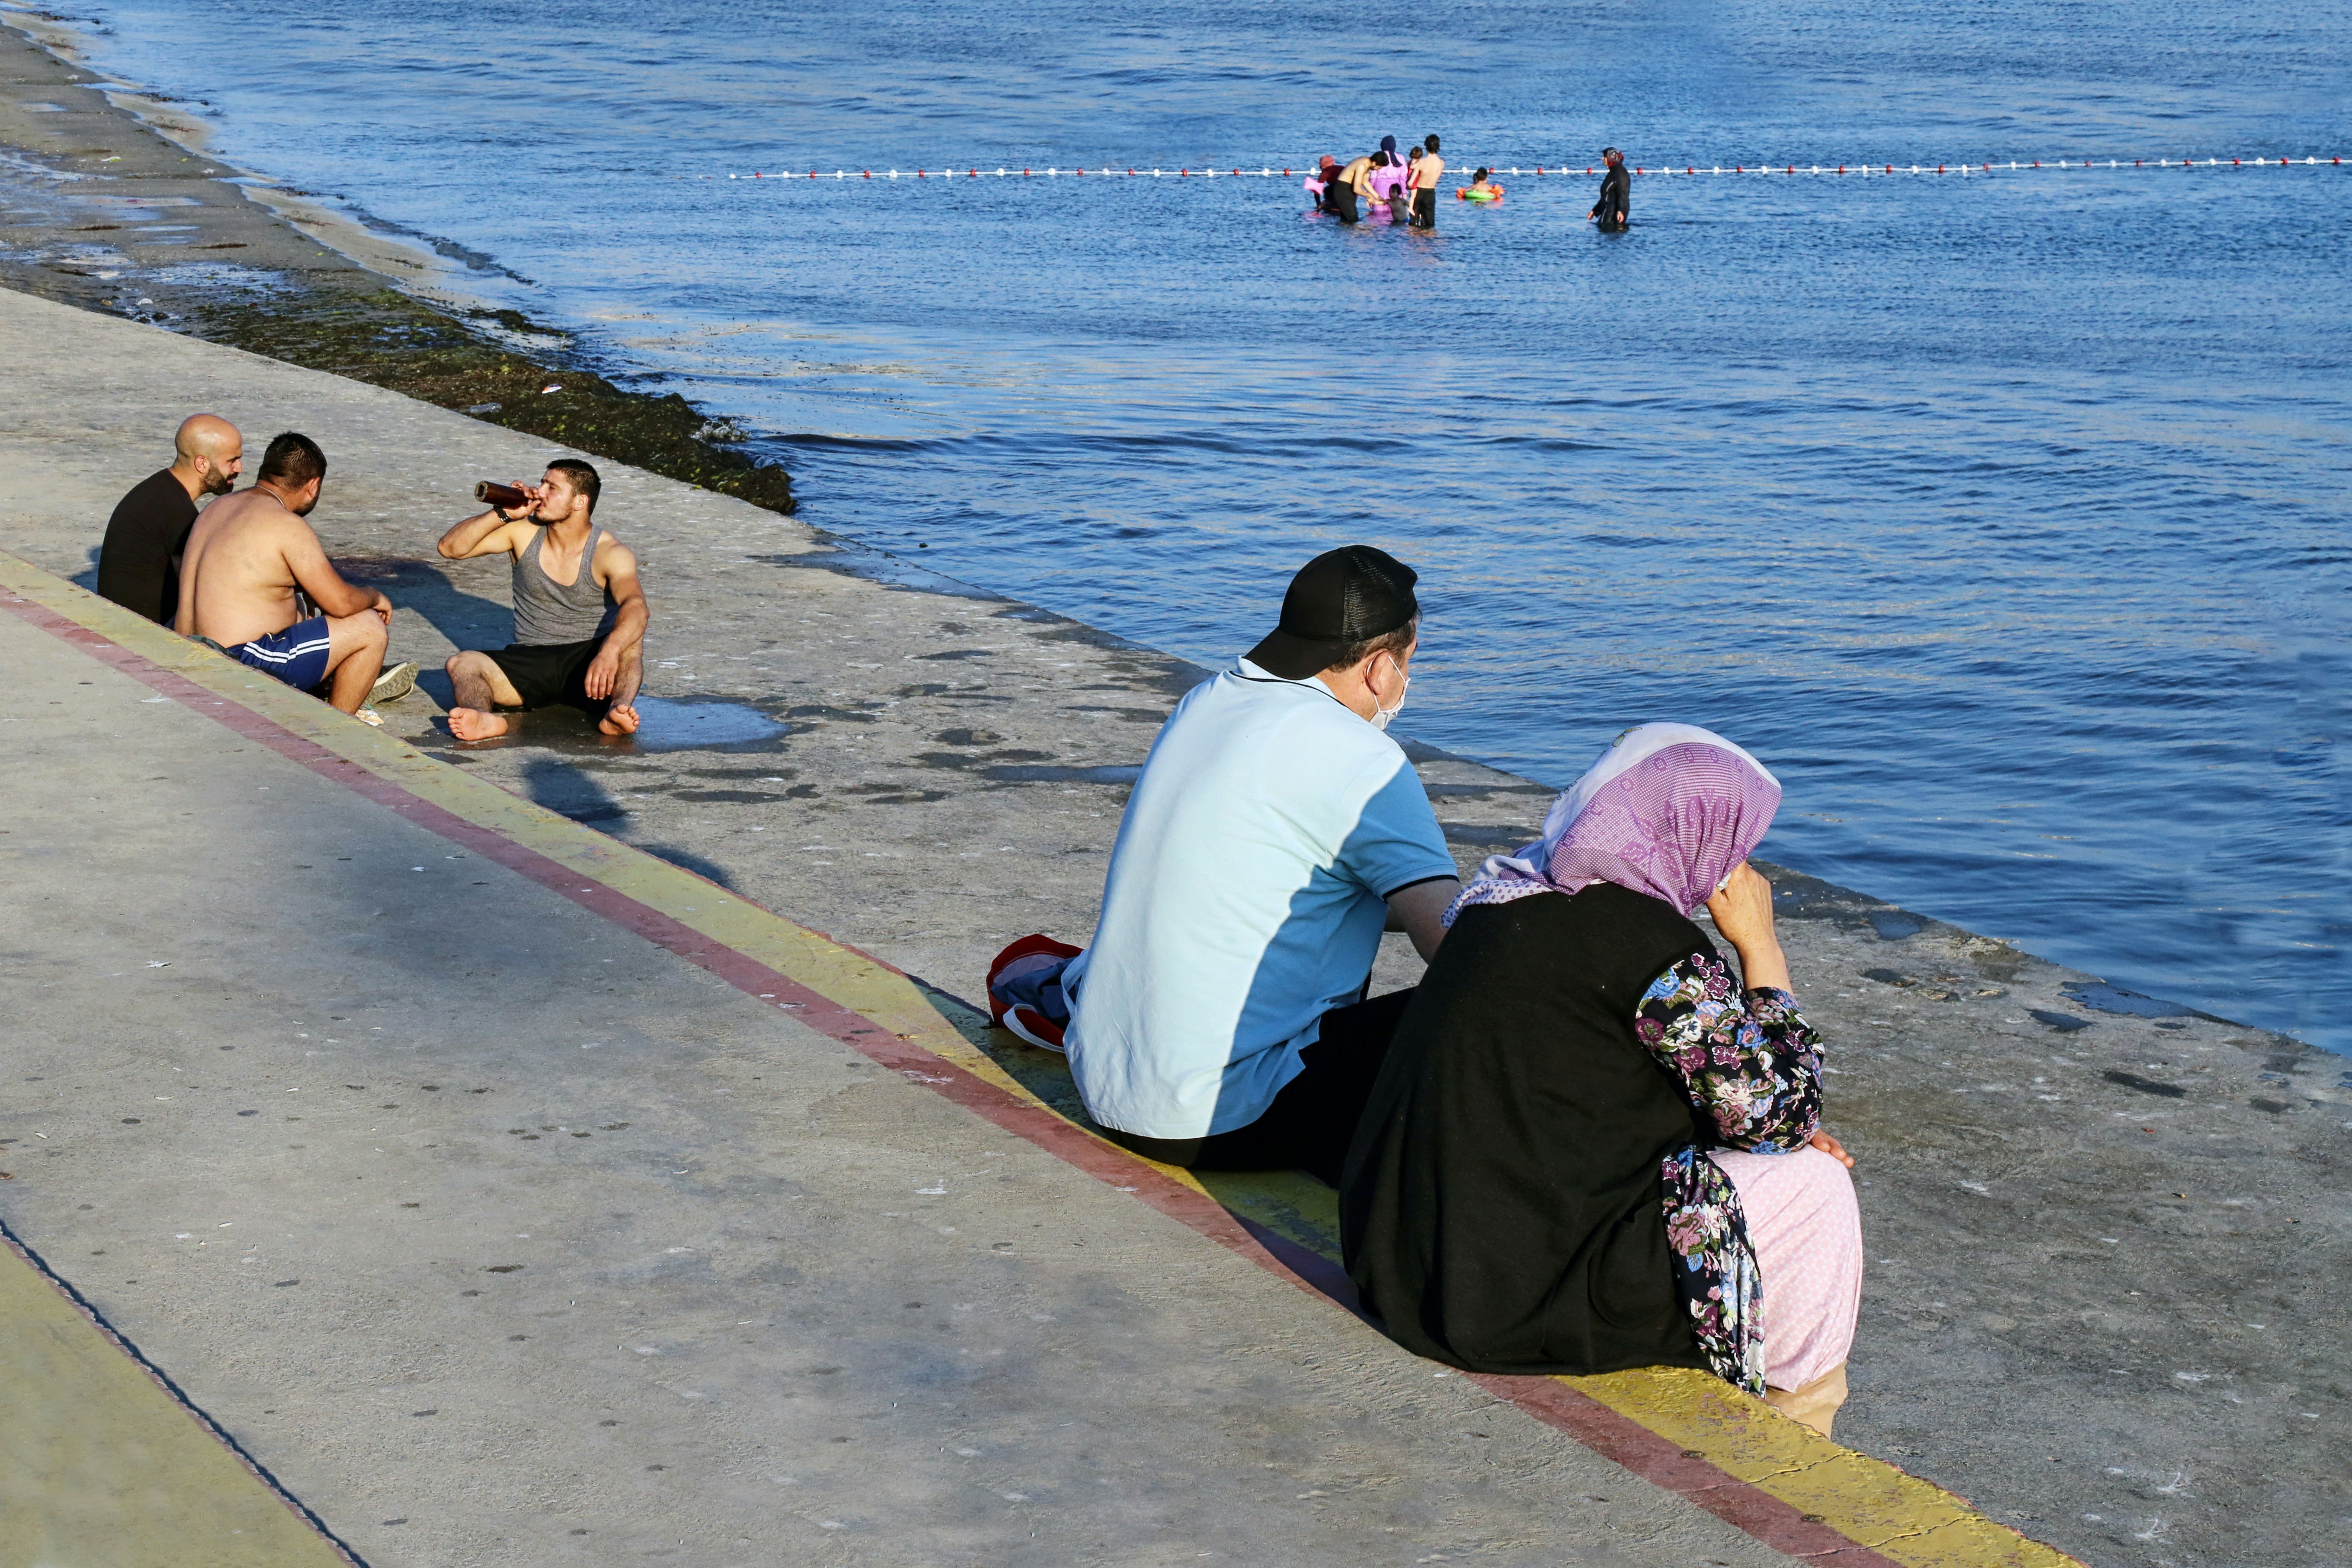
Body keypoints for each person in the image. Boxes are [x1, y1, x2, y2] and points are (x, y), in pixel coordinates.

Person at [1342, 724, 1863, 1439]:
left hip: (1406, 1266)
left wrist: (1759, 1120)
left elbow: (1598, 1077)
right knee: (1815, 1191)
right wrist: (1760, 948)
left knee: (1772, 1152)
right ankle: (1801, 1419)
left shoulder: (1503, 896)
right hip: (1510, 1301)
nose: (1737, 862)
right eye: (1735, 838)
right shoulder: (1650, 946)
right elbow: (1783, 1114)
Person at [1047, 546, 1461, 1186]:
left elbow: (1280, 886)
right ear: (1383, 667)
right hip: (1224, 1118)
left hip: (1109, 1084)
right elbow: (1456, 950)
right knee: (1480, 1007)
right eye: (1410, 663)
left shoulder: (1208, 701)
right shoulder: (1359, 757)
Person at [175, 432, 394, 717]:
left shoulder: (217, 508)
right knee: (369, 627)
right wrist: (374, 595)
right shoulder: (286, 525)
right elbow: (341, 603)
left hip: (184, 650)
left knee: (299, 608)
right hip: (234, 663)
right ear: (313, 486)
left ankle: (318, 693)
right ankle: (337, 731)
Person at [436, 459, 647, 741]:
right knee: (462, 663)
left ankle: (617, 710)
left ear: (579, 502)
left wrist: (609, 652)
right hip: (532, 660)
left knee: (630, 638)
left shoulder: (610, 552)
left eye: (552, 488)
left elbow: (637, 607)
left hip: (590, 667)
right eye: (543, 483)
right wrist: (503, 514)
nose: (540, 491)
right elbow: (450, 549)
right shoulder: (523, 531)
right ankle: (483, 717)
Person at [97, 413, 243, 624]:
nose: (239, 469)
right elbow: (206, 591)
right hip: (143, 635)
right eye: (232, 461)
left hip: (121, 623)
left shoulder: (160, 491)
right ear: (202, 464)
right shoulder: (176, 513)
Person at [1589, 146, 1631, 232]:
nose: (1602, 159)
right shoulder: (1613, 172)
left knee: (1606, 232)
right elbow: (1607, 196)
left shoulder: (1621, 173)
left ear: (1611, 157)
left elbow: (1623, 194)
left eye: (1605, 157)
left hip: (1614, 211)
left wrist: (1621, 211)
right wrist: (1595, 211)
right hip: (1607, 209)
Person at [1329, 152, 1374, 224]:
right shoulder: (1362, 165)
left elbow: (1365, 182)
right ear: (1375, 163)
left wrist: (1378, 197)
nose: (1379, 170)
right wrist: (1369, 196)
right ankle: (1349, 234)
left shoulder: (1366, 166)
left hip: (1348, 189)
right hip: (1343, 187)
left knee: (1350, 217)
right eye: (1379, 167)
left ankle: (1345, 234)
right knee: (1352, 218)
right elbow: (1357, 189)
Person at [1410, 132, 1444, 228]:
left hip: (1419, 191)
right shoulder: (1441, 163)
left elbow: (1411, 181)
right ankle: (1429, 241)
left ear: (1426, 146)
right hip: (1431, 192)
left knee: (1414, 222)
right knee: (1430, 223)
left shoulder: (1421, 163)